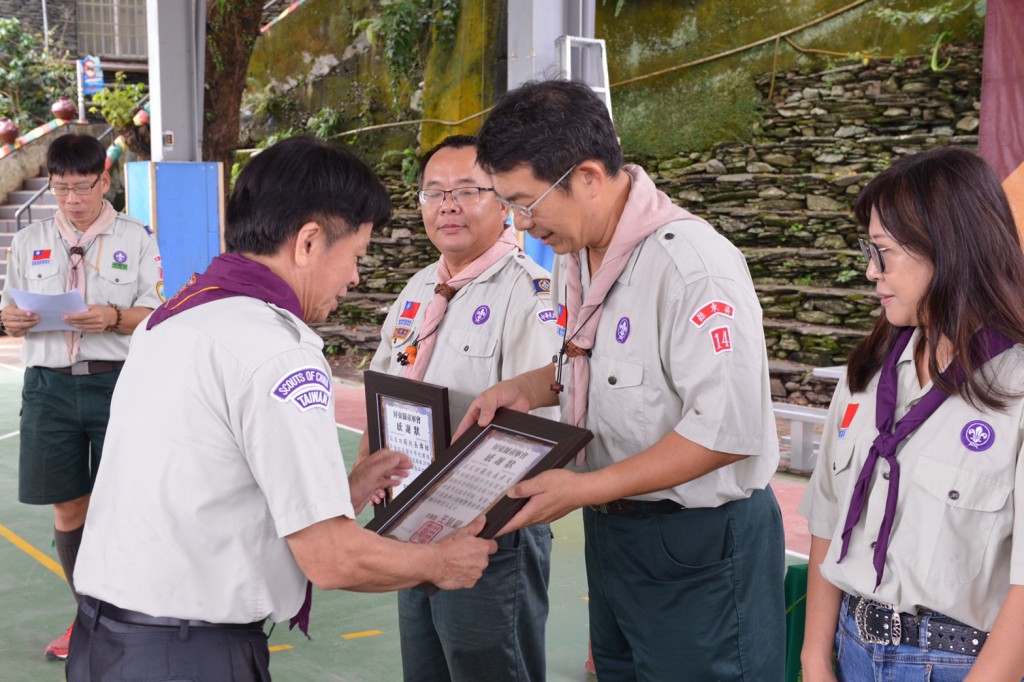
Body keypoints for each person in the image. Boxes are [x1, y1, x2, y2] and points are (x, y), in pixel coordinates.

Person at [67, 136, 496, 681]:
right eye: (356, 256)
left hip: (108, 640)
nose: (356, 279)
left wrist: (338, 495)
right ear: (310, 242)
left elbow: (205, 487)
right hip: (187, 655)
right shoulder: (277, 348)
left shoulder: (177, 314)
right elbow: (332, 559)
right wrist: (442, 563)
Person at [460, 79, 786, 680]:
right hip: (615, 535)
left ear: (587, 176)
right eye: (510, 207)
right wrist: (528, 388)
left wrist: (584, 488)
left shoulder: (691, 266)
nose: (522, 224)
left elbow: (725, 430)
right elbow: (600, 367)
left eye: (526, 203)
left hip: (698, 545)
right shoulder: (577, 255)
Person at [799, 147, 1024, 681]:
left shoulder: (1015, 388)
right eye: (867, 250)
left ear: (947, 251)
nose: (871, 272)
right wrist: (813, 658)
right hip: (853, 649)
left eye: (883, 252)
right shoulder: (867, 375)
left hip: (960, 664)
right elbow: (830, 518)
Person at [358, 135, 559, 681]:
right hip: (410, 524)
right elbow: (388, 386)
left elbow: (538, 431)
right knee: (424, 670)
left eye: (467, 190)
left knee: (488, 670)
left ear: (503, 203)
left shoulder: (531, 293)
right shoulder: (418, 290)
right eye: (434, 192)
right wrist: (368, 474)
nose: (447, 204)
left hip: (488, 534)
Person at [0, 133, 163, 661]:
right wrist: (12, 322)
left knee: (125, 503)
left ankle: (139, 615)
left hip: (115, 382)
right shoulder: (29, 241)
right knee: (69, 504)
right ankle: (88, 619)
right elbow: (8, 313)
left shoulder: (136, 237)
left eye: (82, 186)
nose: (71, 198)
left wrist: (113, 317)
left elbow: (157, 315)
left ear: (105, 180)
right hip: (48, 387)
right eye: (61, 187)